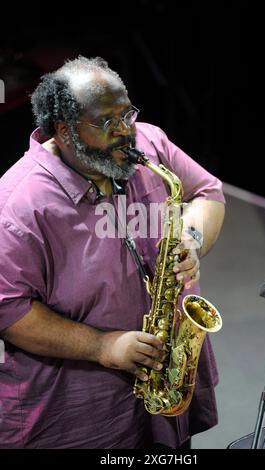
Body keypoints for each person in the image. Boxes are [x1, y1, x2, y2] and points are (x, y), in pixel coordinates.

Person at [0, 56, 225, 449]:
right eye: (108, 122)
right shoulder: (19, 204)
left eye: (127, 114)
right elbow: (8, 310)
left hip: (165, 372)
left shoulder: (149, 144)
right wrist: (102, 346)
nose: (127, 132)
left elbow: (207, 193)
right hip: (80, 410)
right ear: (64, 131)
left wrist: (192, 237)